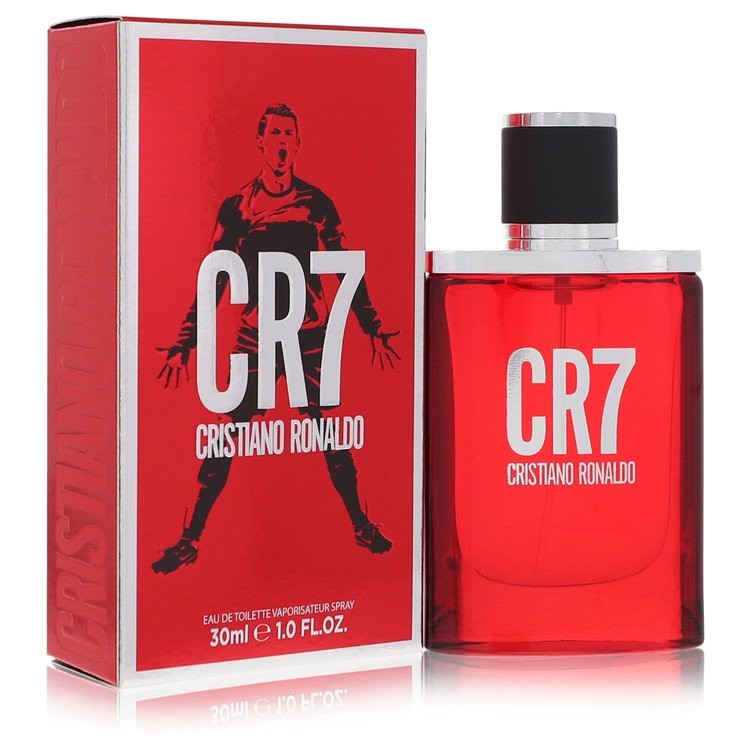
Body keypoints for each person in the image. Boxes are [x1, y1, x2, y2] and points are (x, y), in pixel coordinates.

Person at [152, 103, 400, 574]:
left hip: (309, 336)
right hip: (257, 338)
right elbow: (214, 279)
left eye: (290, 135)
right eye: (275, 135)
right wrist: (186, 342)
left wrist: (372, 326)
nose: (282, 143)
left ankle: (361, 526)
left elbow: (346, 266)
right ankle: (190, 538)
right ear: (260, 142)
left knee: (332, 433)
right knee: (225, 435)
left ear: (298, 144)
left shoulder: (316, 203)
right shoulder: (238, 206)